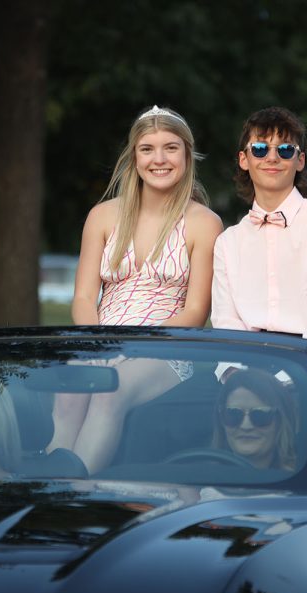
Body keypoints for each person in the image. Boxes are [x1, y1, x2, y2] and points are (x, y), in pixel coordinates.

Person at [45, 105, 223, 474]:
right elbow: (82, 297)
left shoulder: (204, 222)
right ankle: (48, 489)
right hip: (99, 338)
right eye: (147, 149)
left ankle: (76, 489)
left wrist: (136, 346)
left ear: (187, 155)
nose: (159, 159)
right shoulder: (103, 215)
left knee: (112, 392)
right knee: (68, 396)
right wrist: (97, 342)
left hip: (165, 346)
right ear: (134, 156)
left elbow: (196, 311)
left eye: (171, 148)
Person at [211, 106, 307, 421]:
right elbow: (226, 322)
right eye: (260, 148)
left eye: (284, 150)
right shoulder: (228, 242)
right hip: (248, 363)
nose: (272, 157)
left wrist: (287, 379)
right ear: (244, 159)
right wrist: (240, 378)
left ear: (300, 161)